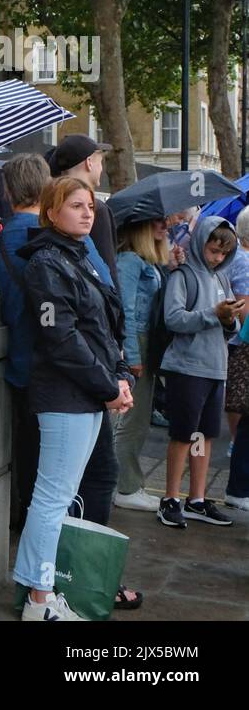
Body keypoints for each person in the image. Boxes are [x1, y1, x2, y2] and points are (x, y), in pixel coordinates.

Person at [14, 177, 135, 621]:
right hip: (65, 396)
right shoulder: (48, 262)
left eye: (90, 206)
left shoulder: (77, 256)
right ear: (51, 212)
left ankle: (41, 593)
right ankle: (38, 599)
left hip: (85, 395)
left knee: (58, 498)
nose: (88, 213)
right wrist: (108, 386)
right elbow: (60, 338)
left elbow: (103, 330)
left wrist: (117, 378)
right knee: (51, 499)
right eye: (77, 205)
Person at [156, 215, 241, 528]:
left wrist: (230, 320)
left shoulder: (221, 279)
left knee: (204, 435)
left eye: (223, 252)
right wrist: (213, 315)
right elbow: (174, 319)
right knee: (183, 433)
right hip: (187, 367)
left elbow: (232, 329)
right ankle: (170, 497)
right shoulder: (183, 276)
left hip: (214, 368)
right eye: (213, 250)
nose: (218, 257)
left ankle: (197, 498)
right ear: (201, 243)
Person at [112, 218, 169, 512]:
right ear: (141, 227)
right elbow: (126, 312)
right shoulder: (130, 261)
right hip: (138, 342)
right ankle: (127, 486)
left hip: (147, 342)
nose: (167, 225)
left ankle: (130, 484)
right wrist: (132, 356)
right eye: (159, 222)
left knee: (139, 418)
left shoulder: (144, 260)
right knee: (132, 421)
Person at [48, 134, 118, 283]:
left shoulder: (49, 204)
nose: (87, 213)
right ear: (89, 163)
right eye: (100, 161)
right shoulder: (98, 210)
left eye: (89, 207)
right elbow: (107, 270)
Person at [223, 208, 249, 453]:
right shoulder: (245, 260)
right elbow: (244, 304)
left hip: (235, 336)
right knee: (240, 394)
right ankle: (236, 442)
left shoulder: (238, 256)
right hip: (241, 338)